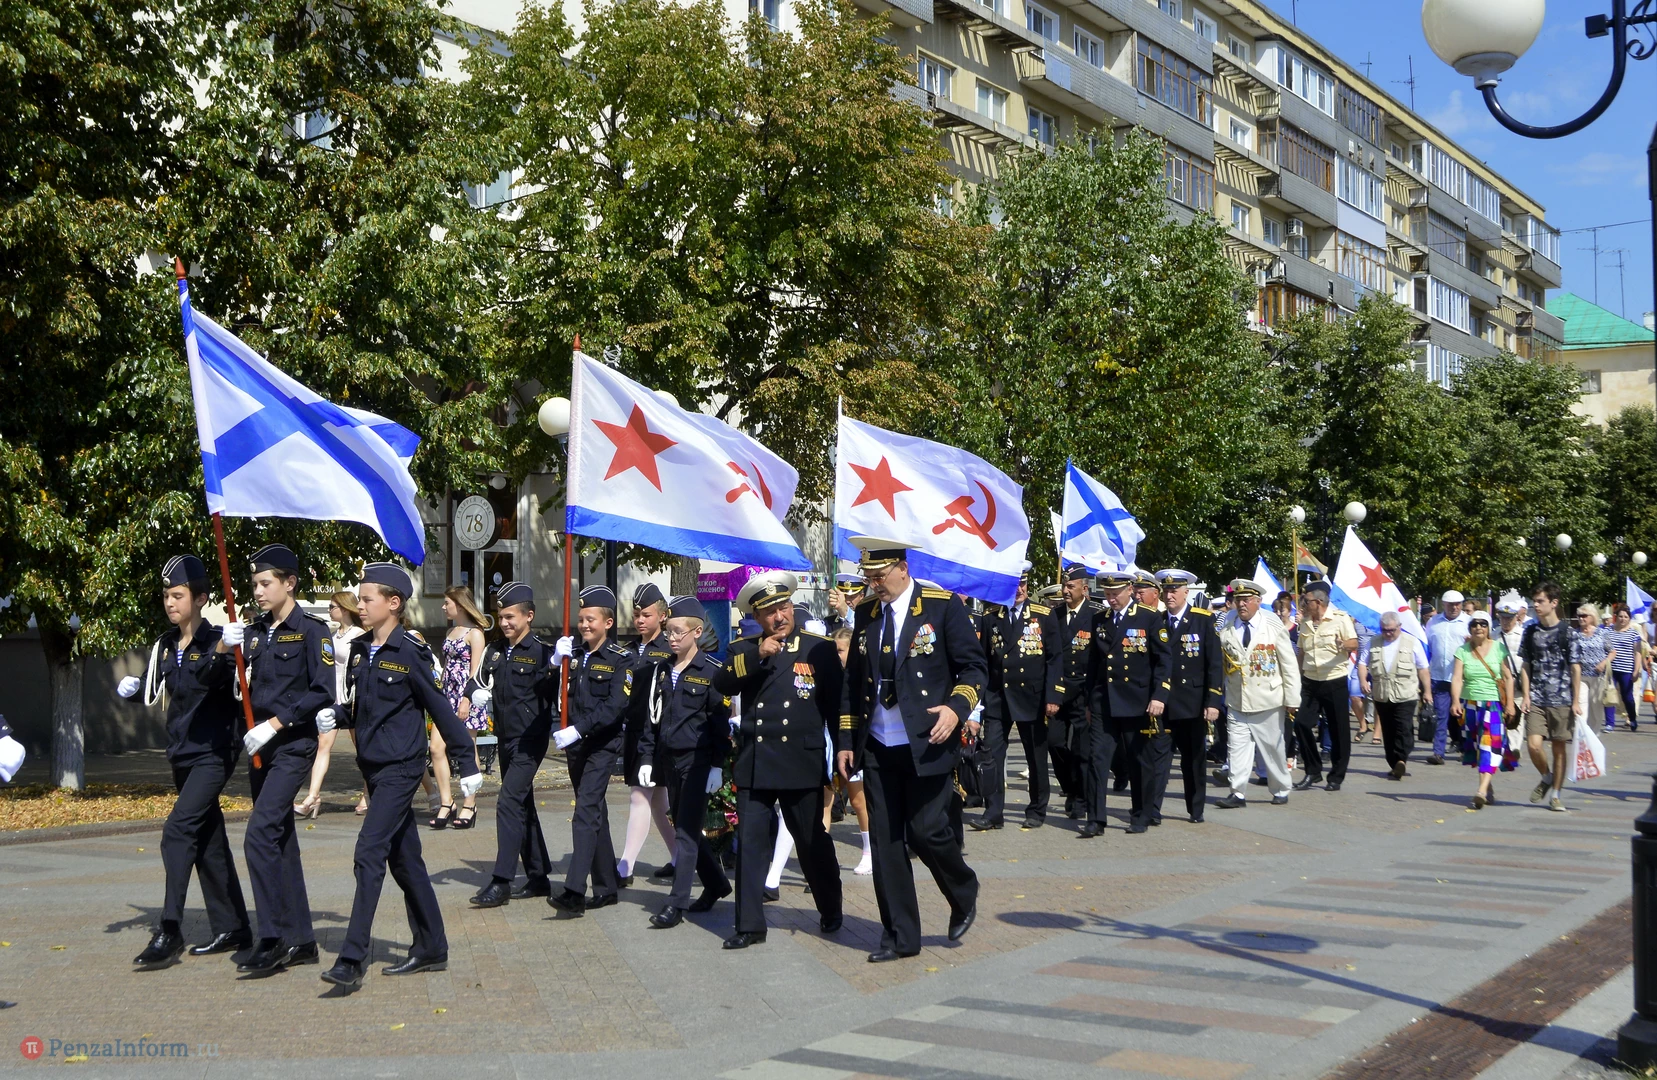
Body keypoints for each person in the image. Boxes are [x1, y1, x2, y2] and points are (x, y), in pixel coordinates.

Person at [319, 563, 483, 989]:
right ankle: (432, 946)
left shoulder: (410, 651)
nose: (360, 605)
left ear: (393, 603)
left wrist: (467, 766)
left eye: (367, 598)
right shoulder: (361, 650)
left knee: (368, 853)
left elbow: (440, 709)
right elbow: (363, 707)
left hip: (401, 768)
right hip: (373, 767)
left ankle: (352, 958)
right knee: (405, 861)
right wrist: (336, 714)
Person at [837, 537, 985, 962]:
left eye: (879, 576)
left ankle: (963, 889)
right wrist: (846, 740)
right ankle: (900, 936)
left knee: (927, 831)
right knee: (885, 842)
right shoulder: (867, 612)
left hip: (926, 740)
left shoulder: (940, 606)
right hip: (878, 743)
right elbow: (853, 683)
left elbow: (974, 667)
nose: (874, 585)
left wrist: (957, 708)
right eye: (868, 577)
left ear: (903, 568)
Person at [119, 555, 252, 968]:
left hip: (214, 752)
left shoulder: (220, 640)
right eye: (166, 596)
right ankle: (233, 927)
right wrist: (135, 688)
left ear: (200, 598)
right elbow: (163, 688)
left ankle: (170, 929)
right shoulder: (165, 644)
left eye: (177, 595)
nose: (169, 603)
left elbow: (211, 680)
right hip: (181, 753)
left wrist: (223, 650)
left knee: (177, 832)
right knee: (208, 839)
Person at [714, 571, 845, 949]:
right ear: (757, 616)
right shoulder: (744, 649)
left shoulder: (818, 648)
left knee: (811, 840)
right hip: (757, 761)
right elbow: (722, 683)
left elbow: (837, 707)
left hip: (799, 760)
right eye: (770, 612)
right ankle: (749, 925)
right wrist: (758, 655)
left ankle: (830, 906)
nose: (779, 616)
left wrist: (844, 751)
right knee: (751, 844)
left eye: (784, 607)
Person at [230, 543, 332, 976]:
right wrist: (224, 650)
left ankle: (271, 937)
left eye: (265, 583)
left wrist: (274, 724)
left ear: (289, 583)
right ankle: (302, 939)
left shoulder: (312, 630)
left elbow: (322, 690)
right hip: (261, 748)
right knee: (279, 839)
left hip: (292, 744)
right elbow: (241, 685)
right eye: (254, 584)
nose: (257, 591)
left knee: (258, 835)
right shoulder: (253, 632)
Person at [634, 595, 733, 928]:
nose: (672, 638)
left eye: (678, 632)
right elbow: (652, 719)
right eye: (669, 631)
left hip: (698, 761)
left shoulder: (712, 672)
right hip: (669, 760)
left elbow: (719, 725)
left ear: (697, 632)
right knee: (683, 825)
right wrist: (646, 758)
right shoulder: (662, 671)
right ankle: (716, 884)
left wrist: (717, 764)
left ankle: (676, 903)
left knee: (687, 832)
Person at [467, 582, 559, 908]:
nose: (504, 622)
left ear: (528, 616)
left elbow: (556, 691)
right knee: (523, 806)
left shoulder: (543, 653)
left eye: (510, 617)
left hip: (530, 740)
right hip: (505, 738)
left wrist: (557, 665)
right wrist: (474, 693)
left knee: (507, 802)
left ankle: (501, 880)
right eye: (501, 616)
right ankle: (538, 876)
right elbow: (475, 681)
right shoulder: (495, 650)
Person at [547, 586, 634, 916]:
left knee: (584, 811)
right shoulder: (573, 655)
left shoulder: (621, 659)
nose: (583, 625)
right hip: (575, 745)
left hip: (601, 744)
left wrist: (578, 729)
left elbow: (615, 706)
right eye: (581, 619)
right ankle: (607, 887)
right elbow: (555, 694)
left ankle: (573, 890)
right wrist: (554, 663)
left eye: (590, 619)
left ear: (608, 623)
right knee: (595, 811)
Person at [1081, 569, 1172, 836]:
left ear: (1129, 590)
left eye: (1116, 593)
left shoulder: (1149, 617)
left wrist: (1159, 695)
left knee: (1139, 760)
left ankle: (1141, 814)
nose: (1111, 598)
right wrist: (1089, 700)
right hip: (1104, 701)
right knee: (1097, 760)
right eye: (1107, 593)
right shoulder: (1099, 619)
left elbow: (1163, 661)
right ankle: (1095, 819)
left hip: (1137, 701)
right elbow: (1094, 663)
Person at [973, 562, 1060, 831]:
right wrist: (979, 700)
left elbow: (1054, 659)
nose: (1019, 589)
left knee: (1035, 756)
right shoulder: (991, 616)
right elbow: (983, 660)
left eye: (1022, 583)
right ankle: (993, 812)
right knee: (992, 756)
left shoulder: (1043, 615)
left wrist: (1053, 696)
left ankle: (1037, 809)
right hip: (998, 697)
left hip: (1031, 697)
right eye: (1014, 584)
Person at [1213, 579, 1300, 809]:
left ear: (1258, 601)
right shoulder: (1228, 622)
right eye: (1238, 599)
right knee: (1237, 748)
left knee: (1272, 748)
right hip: (1237, 697)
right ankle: (1237, 793)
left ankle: (1280, 788)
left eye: (1246, 600)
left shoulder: (1271, 623)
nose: (1241, 604)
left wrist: (1292, 699)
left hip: (1267, 698)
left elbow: (1288, 664)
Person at [619, 584, 677, 885]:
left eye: (647, 615)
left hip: (655, 735)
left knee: (640, 796)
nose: (640, 620)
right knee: (658, 802)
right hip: (633, 734)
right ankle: (681, 857)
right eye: (637, 615)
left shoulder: (669, 650)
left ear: (663, 616)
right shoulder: (628, 650)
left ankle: (625, 866)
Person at [1157, 569, 1223, 824]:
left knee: (1193, 760)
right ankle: (1152, 809)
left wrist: (1213, 701)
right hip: (1163, 703)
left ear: (1186, 592)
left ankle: (1196, 809)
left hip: (1192, 703)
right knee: (1158, 759)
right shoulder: (1157, 620)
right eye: (1166, 590)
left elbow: (1214, 664)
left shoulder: (1202, 620)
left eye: (1174, 590)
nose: (1169, 595)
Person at [1518, 581, 1581, 813]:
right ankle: (1546, 776)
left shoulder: (1568, 633)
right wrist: (1526, 695)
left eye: (1540, 601)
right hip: (1536, 698)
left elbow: (1575, 668)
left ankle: (1556, 794)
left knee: (1559, 749)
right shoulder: (1530, 631)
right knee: (1534, 746)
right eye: (1534, 601)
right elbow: (1526, 665)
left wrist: (1576, 701)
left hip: (1562, 699)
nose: (1535, 605)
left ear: (1553, 603)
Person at [431, 587, 490, 830]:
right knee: (436, 748)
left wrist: (466, 700)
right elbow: (446, 666)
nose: (444, 607)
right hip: (447, 695)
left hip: (466, 696)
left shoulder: (475, 634)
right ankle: (447, 802)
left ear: (461, 604)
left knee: (468, 747)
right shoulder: (450, 632)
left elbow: (476, 671)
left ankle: (469, 803)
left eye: (448, 603)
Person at [1292, 580, 1359, 793]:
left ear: (1319, 602)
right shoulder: (1305, 622)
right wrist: (1297, 677)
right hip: (1310, 681)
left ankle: (1336, 776)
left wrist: (1343, 644)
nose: (1303, 604)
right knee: (1301, 724)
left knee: (1339, 730)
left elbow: (1354, 642)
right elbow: (1301, 652)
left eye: (1306, 601)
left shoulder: (1340, 618)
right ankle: (1313, 770)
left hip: (1334, 680)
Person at [1049, 566, 1101, 819]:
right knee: (1055, 743)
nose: (1066, 591)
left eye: (1071, 586)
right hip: (1058, 692)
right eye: (1064, 586)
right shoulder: (1054, 614)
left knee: (1082, 750)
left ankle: (1081, 797)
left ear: (1084, 588)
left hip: (1083, 692)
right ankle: (1070, 787)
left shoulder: (1095, 615)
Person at [1451, 610, 1515, 811]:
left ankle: (1480, 791)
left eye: (1483, 624)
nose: (1478, 627)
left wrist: (1510, 704)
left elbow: (1508, 677)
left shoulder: (1498, 648)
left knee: (1489, 745)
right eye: (1474, 624)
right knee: (1478, 746)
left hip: (1493, 704)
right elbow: (1457, 678)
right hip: (1470, 704)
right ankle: (1487, 786)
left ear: (1488, 628)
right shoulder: (1462, 651)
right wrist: (1455, 701)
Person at [1358, 612, 1431, 780]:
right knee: (1388, 730)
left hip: (1406, 694)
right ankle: (1394, 763)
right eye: (1384, 630)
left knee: (1403, 727)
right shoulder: (1373, 642)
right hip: (1382, 694)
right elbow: (1362, 663)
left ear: (1399, 627)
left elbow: (1423, 668)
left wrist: (1427, 691)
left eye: (1391, 630)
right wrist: (1363, 681)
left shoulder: (1412, 642)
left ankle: (1401, 759)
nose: (1388, 633)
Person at [319, 591, 369, 817]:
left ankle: (367, 793)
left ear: (345, 608)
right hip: (333, 696)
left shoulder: (359, 634)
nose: (330, 610)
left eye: (333, 607)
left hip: (351, 696)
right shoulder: (333, 635)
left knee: (362, 748)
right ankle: (313, 796)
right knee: (323, 744)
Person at [830, 628, 874, 873]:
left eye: (840, 650)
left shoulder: (859, 677)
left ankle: (869, 851)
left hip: (856, 744)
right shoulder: (830, 675)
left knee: (858, 801)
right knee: (826, 803)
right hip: (833, 744)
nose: (837, 655)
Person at [1425, 590, 1471, 765]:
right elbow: (1427, 647)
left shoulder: (1468, 622)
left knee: (1463, 717)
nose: (1454, 607)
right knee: (1440, 715)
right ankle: (1438, 752)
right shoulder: (1433, 622)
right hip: (1439, 676)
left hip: (1462, 678)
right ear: (1443, 604)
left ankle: (1466, 749)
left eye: (1458, 604)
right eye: (1451, 604)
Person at [1605, 603, 1645, 732]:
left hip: (1626, 669)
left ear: (1629, 618)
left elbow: (1637, 653)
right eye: (1620, 616)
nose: (1623, 619)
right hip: (1610, 669)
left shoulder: (1634, 634)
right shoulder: (1608, 631)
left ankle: (1632, 719)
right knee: (1609, 695)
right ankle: (1609, 723)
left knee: (1627, 697)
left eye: (1626, 617)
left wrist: (1636, 670)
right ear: (1616, 617)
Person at [1574, 604, 1612, 738]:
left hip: (1598, 676)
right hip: (1580, 676)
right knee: (1581, 707)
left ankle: (1594, 735)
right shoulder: (1574, 634)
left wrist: (1604, 663)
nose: (1581, 618)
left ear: (1592, 617)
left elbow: (1612, 652)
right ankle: (1581, 736)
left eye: (1584, 616)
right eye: (1579, 616)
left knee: (1596, 708)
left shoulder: (1602, 633)